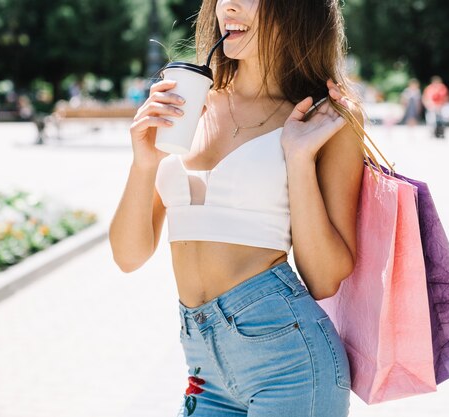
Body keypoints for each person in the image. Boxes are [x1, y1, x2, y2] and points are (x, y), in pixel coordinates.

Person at [109, 1, 365, 416]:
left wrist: (298, 159)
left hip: (292, 369)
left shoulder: (325, 117)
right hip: (205, 369)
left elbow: (325, 279)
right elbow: (128, 255)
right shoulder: (190, 102)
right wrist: (144, 162)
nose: (229, 5)